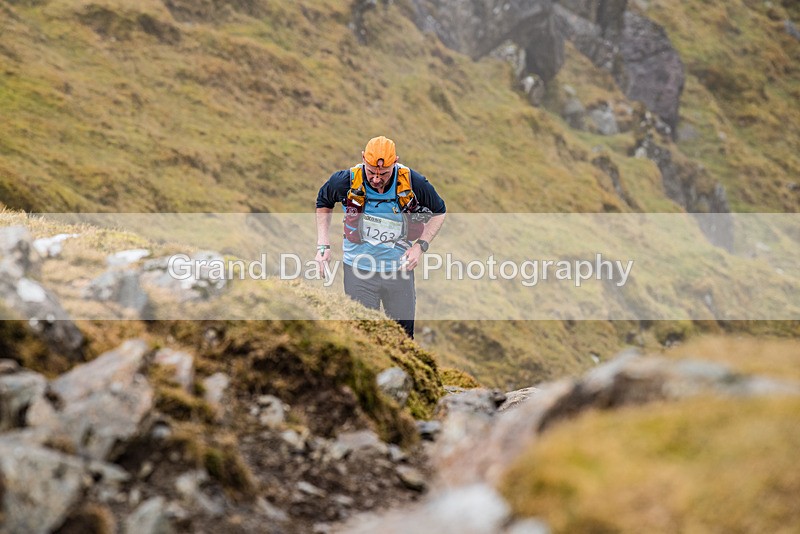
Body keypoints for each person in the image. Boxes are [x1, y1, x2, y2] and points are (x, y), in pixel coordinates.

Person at [315, 136, 446, 338]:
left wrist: (420, 246)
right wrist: (323, 245)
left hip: (398, 270)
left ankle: (400, 371)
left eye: (384, 174)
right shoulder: (345, 180)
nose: (376, 179)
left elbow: (439, 211)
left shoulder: (413, 181)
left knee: (403, 338)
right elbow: (323, 202)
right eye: (371, 172)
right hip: (358, 270)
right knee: (364, 335)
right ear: (362, 159)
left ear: (395, 162)